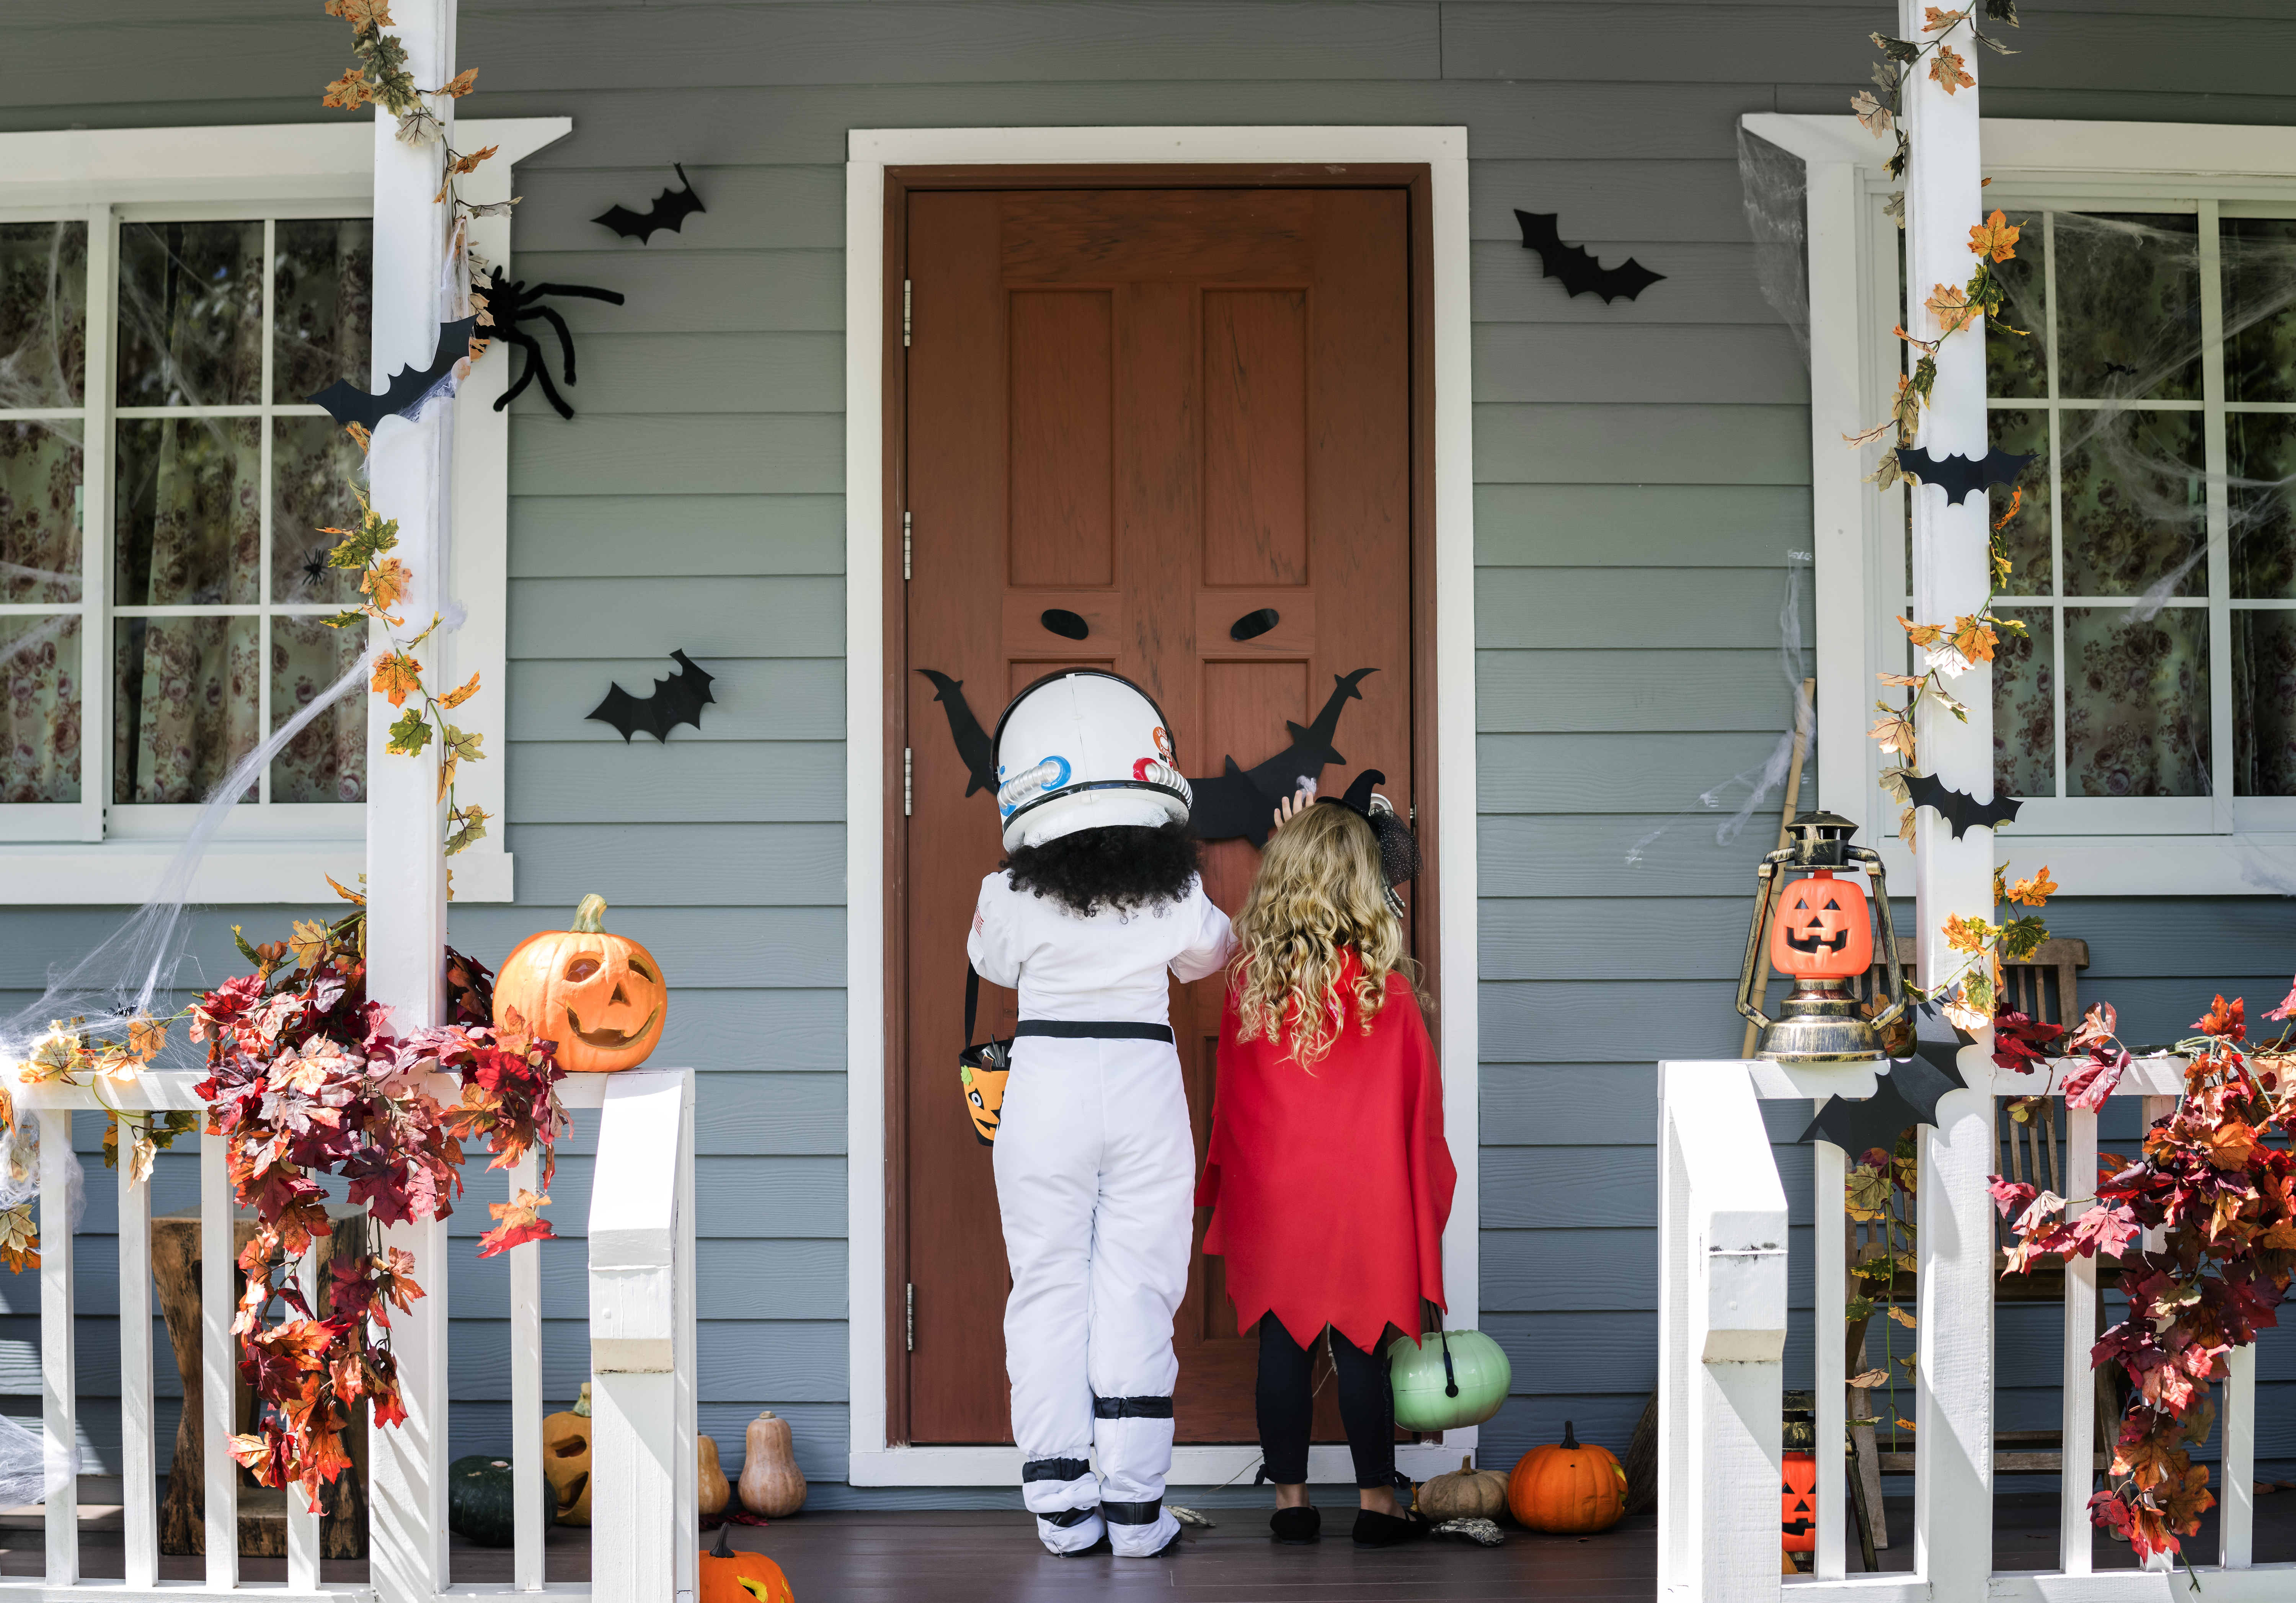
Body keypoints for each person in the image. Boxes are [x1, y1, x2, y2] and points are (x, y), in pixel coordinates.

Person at [968, 671, 1234, 1559]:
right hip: (1142, 1079)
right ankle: (1134, 1508)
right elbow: (1212, 955)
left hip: (1045, 1081)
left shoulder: (1007, 894)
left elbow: (994, 966)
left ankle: (1062, 1508)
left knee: (1045, 1285)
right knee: (1139, 1288)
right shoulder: (1173, 895)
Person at [1195, 774, 1456, 1547]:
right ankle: (1378, 1508)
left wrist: (1291, 844)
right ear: (1365, 889)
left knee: (1282, 1344)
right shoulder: (1391, 996)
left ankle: (1292, 1506)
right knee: (1366, 1345)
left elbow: (1233, 1113)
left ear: (1283, 880)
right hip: (1368, 1202)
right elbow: (1422, 1122)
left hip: (1280, 1199)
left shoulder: (1250, 987)